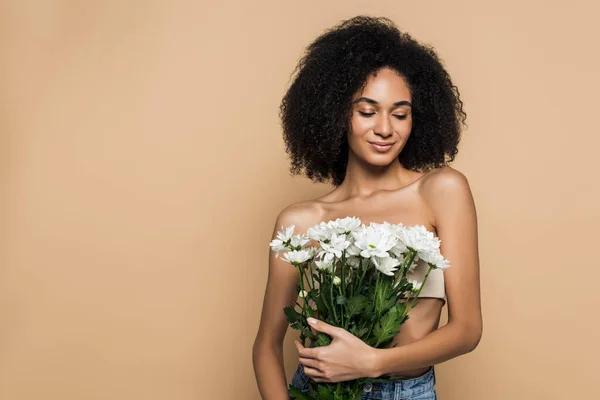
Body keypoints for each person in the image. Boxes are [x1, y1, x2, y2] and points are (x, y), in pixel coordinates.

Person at [252, 15, 482, 400]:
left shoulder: (442, 190)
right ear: (336, 113)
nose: (385, 129)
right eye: (367, 111)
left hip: (406, 391)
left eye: (400, 113)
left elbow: (467, 329)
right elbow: (265, 347)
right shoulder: (302, 221)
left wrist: (370, 362)